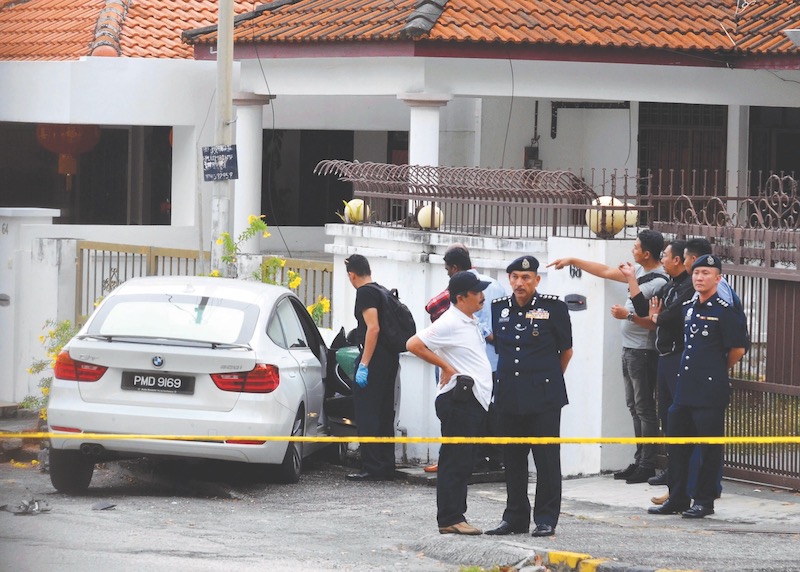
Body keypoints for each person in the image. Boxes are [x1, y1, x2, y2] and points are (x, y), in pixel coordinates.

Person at [549, 229, 667, 484]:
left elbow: (652, 319)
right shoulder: (639, 271)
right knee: (633, 406)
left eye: (636, 247)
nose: (632, 251)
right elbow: (604, 271)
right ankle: (639, 459)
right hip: (629, 349)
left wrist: (628, 314)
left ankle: (647, 463)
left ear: (647, 253)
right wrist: (573, 260)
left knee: (644, 408)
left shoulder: (658, 282)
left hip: (643, 351)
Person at [648, 254, 749, 518]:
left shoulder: (725, 310)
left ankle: (704, 500)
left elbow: (738, 349)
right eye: (696, 273)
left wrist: (714, 369)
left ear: (718, 278)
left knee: (708, 449)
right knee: (677, 445)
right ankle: (678, 497)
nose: (699, 278)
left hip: (709, 390)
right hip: (685, 389)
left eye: (706, 273)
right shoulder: (690, 307)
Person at [484, 255, 573, 538]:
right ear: (509, 280)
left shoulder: (553, 308)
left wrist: (548, 380)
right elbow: (501, 348)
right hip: (509, 394)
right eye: (515, 277)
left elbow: (566, 351)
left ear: (536, 279)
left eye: (525, 277)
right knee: (513, 459)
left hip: (544, 397)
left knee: (546, 460)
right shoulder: (499, 308)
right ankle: (515, 517)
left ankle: (545, 519)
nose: (520, 283)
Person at [406, 271, 494, 535]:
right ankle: (450, 518)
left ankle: (456, 515)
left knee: (464, 461)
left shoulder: (470, 321)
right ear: (461, 297)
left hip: (473, 401)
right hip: (460, 401)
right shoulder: (450, 321)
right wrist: (445, 366)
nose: (482, 296)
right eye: (476, 292)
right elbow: (413, 344)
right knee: (455, 461)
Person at [423, 244, 507, 473]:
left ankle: (469, 460)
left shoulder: (460, 291)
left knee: (466, 416)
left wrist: (445, 366)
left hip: (464, 367)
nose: (481, 296)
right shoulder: (496, 285)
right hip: (491, 362)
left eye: (448, 270)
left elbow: (432, 308)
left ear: (454, 268)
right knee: (488, 410)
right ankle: (491, 459)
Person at [636, 241, 694, 490]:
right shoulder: (669, 285)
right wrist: (630, 280)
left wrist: (657, 316)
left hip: (677, 356)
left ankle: (680, 472)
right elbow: (644, 309)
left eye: (666, 256)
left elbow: (670, 317)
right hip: (663, 356)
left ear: (677, 260)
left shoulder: (688, 286)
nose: (662, 260)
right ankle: (672, 468)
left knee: (677, 416)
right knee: (665, 415)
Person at [344, 254, 400, 482]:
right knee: (384, 412)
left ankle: (372, 466)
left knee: (367, 412)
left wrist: (364, 363)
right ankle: (386, 465)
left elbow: (373, 328)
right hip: (389, 358)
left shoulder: (365, 293)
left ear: (352, 275)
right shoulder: (381, 290)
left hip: (374, 359)